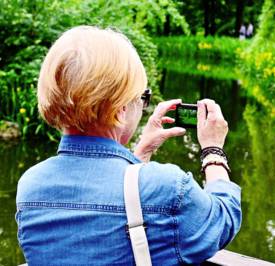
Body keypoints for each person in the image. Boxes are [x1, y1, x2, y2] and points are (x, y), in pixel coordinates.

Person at [16, 26, 242, 265]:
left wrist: (139, 155)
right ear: (121, 107)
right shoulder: (168, 188)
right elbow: (223, 220)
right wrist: (213, 149)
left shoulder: (30, 186)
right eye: (143, 97)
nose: (143, 106)